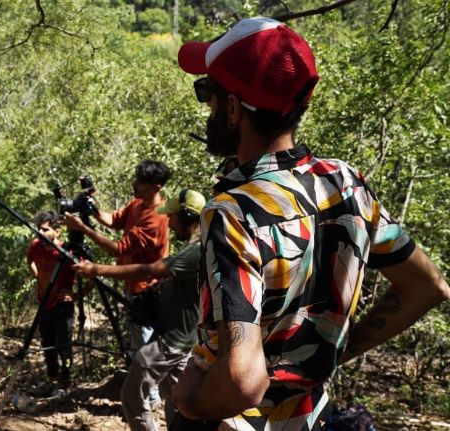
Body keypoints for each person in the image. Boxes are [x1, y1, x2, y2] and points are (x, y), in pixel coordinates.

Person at [170, 17, 450, 430]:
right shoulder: (345, 183)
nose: (206, 107)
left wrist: (188, 401)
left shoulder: (233, 212)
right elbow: (428, 286)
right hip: (310, 416)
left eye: (206, 94)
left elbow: (242, 382)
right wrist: (328, 353)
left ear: (232, 108)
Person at [74, 188, 206, 431]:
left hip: (173, 340)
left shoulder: (196, 250)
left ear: (187, 217)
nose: (169, 222)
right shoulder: (195, 246)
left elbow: (151, 270)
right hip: (176, 336)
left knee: (132, 397)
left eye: (173, 217)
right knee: (176, 396)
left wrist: (97, 269)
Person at [64, 160, 171, 355]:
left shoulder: (156, 219)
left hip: (147, 291)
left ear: (156, 187)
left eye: (140, 182)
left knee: (145, 349)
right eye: (136, 178)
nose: (134, 183)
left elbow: (118, 249)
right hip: (132, 286)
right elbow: (114, 220)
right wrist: (92, 208)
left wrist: (83, 228)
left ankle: (142, 372)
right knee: (136, 341)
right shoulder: (138, 204)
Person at [27, 211, 77, 390]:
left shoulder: (67, 252)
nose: (40, 233)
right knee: (47, 344)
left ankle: (66, 380)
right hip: (44, 303)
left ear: (57, 231)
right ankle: (52, 377)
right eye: (38, 229)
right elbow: (30, 261)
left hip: (62, 306)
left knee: (64, 345)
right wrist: (40, 278)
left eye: (45, 229)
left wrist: (76, 296)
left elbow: (92, 276)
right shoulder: (35, 246)